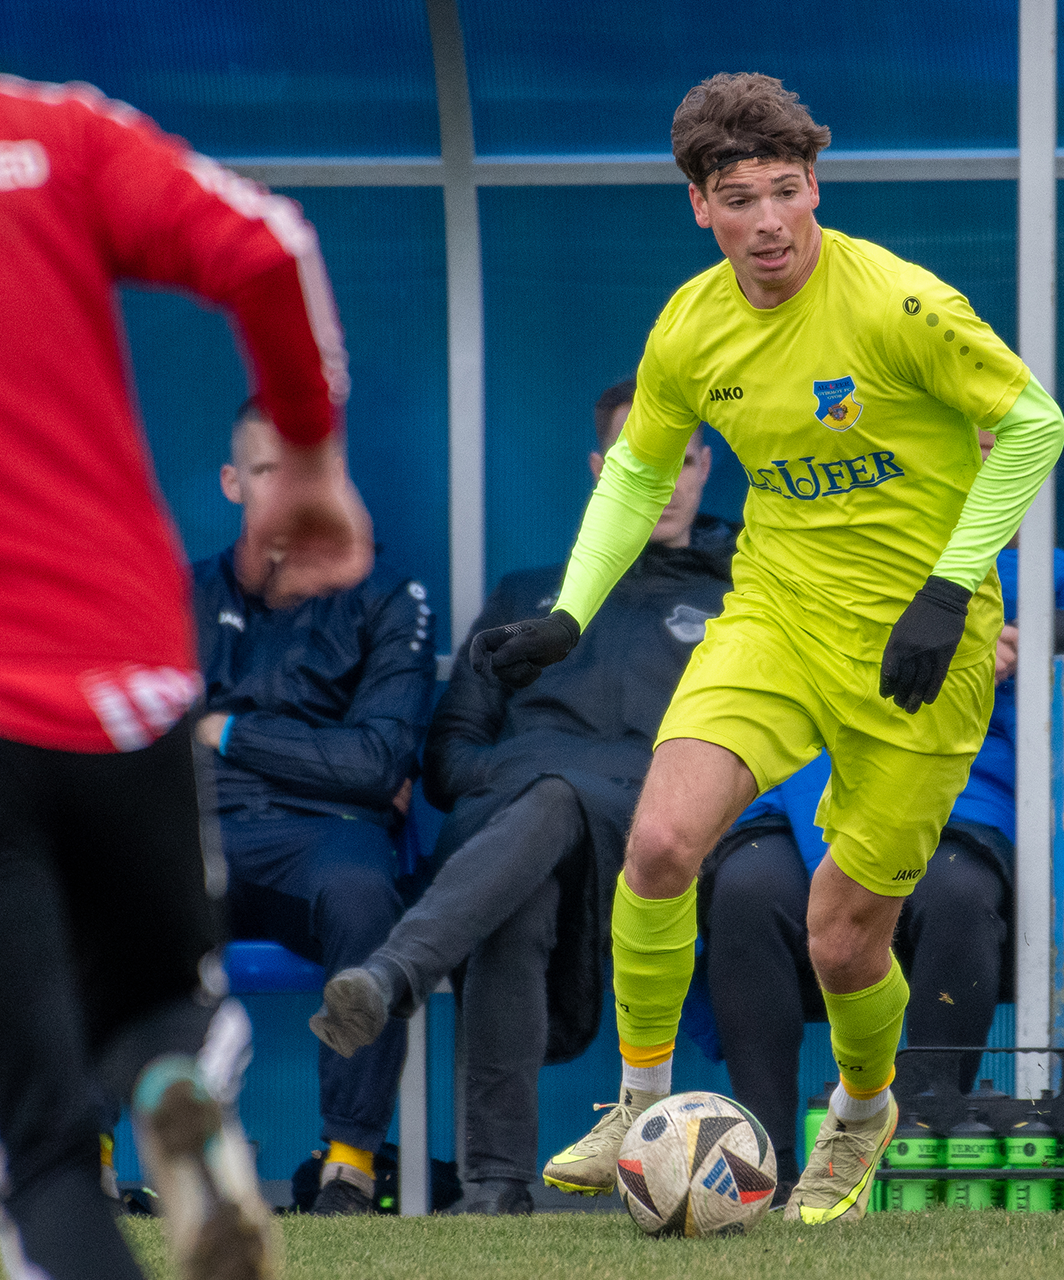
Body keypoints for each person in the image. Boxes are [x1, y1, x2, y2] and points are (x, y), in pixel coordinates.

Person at [459, 73, 1064, 1225]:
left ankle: (863, 1110)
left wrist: (949, 588)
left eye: (788, 191)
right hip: (776, 613)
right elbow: (638, 471)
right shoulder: (691, 326)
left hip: (919, 645)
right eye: (741, 200)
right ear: (702, 206)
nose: (771, 221)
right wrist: (573, 610)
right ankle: (640, 1103)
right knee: (659, 844)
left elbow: (1034, 423)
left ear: (815, 186)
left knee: (841, 940)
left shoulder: (899, 302)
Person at [0, 77, 370, 1278]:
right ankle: (172, 1077)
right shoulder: (51, 132)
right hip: (119, 669)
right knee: (160, 1006)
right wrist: (310, 459)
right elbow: (271, 246)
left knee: (45, 1155)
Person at [309, 379, 733, 1214]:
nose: (668, 481)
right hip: (513, 827)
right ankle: (495, 1187)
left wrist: (555, 781)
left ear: (706, 467)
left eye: (683, 461)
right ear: (602, 470)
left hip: (652, 830)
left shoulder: (735, 595)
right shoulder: (525, 594)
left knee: (557, 799)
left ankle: (396, 975)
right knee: (527, 873)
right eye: (643, 461)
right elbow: (447, 756)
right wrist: (526, 778)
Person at [699, 533, 1064, 1198]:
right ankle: (767, 1162)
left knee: (956, 893)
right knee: (747, 888)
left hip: (954, 797)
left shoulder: (1036, 573)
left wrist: (1031, 636)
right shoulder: (837, 538)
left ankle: (914, 1140)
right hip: (813, 784)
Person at [193, 399, 435, 1214]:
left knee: (365, 899)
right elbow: (145, 742)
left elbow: (379, 762)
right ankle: (89, 1155)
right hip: (207, 829)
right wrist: (330, 760)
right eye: (267, 472)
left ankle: (347, 1166)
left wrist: (224, 730)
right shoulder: (180, 596)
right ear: (232, 482)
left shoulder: (387, 594)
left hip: (329, 838)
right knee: (109, 888)